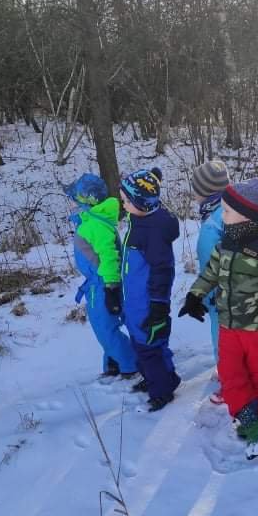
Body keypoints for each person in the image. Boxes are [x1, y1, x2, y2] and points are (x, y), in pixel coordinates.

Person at [179, 178, 258, 459]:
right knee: (229, 373)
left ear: (247, 216)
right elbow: (209, 274)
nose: (223, 216)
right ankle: (249, 418)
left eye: (228, 211)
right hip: (228, 325)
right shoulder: (224, 245)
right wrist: (195, 295)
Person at [119, 167, 182, 411]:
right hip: (134, 299)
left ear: (141, 203)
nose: (123, 204)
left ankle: (162, 390)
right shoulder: (140, 220)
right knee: (140, 343)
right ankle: (157, 377)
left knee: (150, 347)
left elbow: (162, 270)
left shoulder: (152, 231)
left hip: (147, 302)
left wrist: (158, 304)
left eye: (126, 200)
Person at [65, 173, 138, 379]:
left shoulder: (96, 226)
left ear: (87, 201)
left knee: (105, 327)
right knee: (104, 325)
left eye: (75, 199)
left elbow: (109, 256)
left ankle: (130, 364)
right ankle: (114, 362)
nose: (73, 203)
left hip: (103, 284)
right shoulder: (92, 220)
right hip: (98, 283)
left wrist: (111, 287)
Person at [191, 160, 230, 403]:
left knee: (223, 339)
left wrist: (212, 290)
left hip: (221, 292)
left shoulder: (220, 217)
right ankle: (229, 373)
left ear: (207, 191)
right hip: (216, 288)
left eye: (196, 189)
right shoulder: (219, 211)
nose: (193, 194)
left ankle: (230, 383)